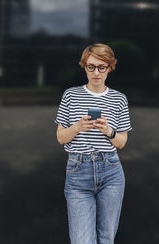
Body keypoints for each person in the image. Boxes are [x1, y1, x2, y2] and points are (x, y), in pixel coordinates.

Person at [54, 43, 132, 244]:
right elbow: (61, 137)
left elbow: (122, 142)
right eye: (91, 67)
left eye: (102, 67)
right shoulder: (70, 95)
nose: (96, 72)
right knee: (81, 240)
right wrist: (77, 127)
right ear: (84, 66)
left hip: (111, 171)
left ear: (110, 68)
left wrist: (108, 131)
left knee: (106, 238)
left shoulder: (119, 99)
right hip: (78, 172)